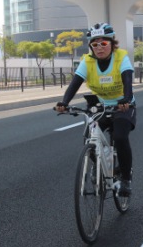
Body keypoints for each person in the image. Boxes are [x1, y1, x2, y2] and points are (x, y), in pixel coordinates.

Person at [55, 23, 136, 197]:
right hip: (100, 105)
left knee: (120, 137)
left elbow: (127, 80)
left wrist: (127, 99)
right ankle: (98, 162)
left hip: (123, 105)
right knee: (88, 138)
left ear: (112, 44)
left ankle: (125, 178)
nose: (99, 48)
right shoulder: (88, 61)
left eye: (104, 44)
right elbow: (75, 83)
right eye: (95, 44)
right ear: (91, 46)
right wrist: (64, 102)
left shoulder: (121, 57)